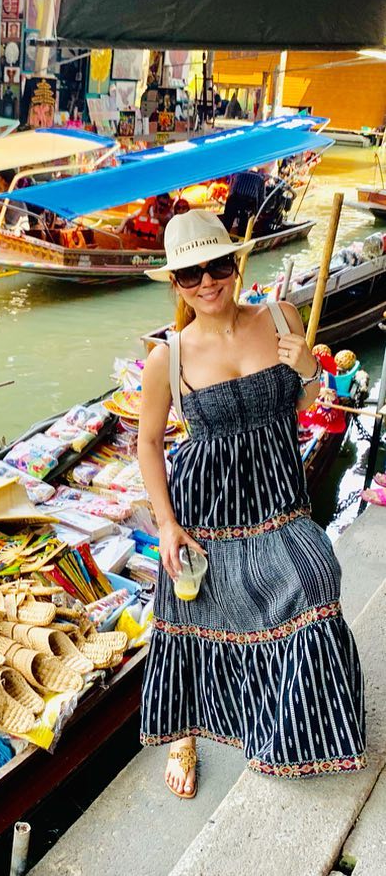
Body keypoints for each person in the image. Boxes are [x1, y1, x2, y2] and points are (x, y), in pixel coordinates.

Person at [137, 210, 366, 799]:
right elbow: (148, 443)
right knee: (198, 614)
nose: (207, 282)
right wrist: (165, 525)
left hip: (278, 498)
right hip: (205, 507)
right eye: (191, 274)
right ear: (176, 283)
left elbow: (310, 397)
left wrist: (310, 368)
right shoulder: (169, 357)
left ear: (235, 265)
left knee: (313, 585)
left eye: (218, 265)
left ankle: (288, 730)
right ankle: (186, 734)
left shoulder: (281, 316)